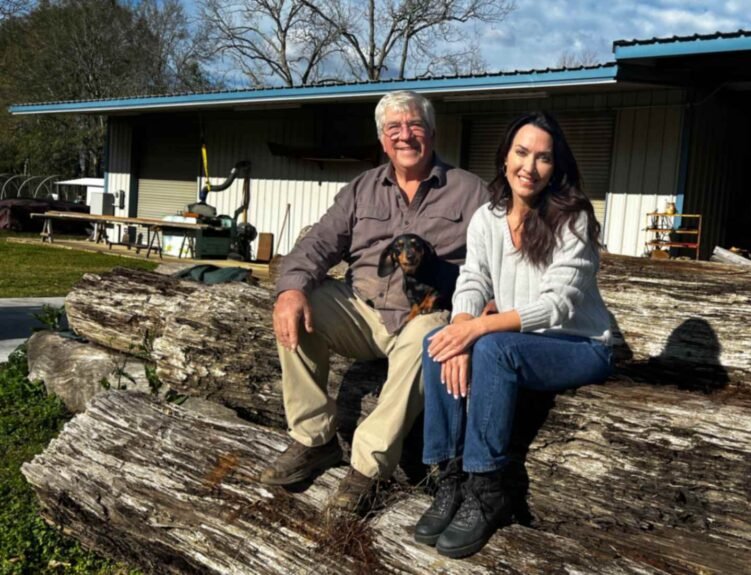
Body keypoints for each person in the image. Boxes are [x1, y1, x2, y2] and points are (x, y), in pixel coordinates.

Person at [263, 90, 490, 517]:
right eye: (394, 129)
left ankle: (366, 469)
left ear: (433, 134)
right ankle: (315, 440)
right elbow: (317, 244)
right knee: (298, 304)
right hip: (361, 310)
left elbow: (499, 254)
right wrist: (290, 289)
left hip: (428, 313)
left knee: (431, 335)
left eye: (415, 126)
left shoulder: (470, 192)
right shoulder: (361, 189)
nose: (406, 136)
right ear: (383, 141)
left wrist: (489, 308)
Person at [414, 112, 614, 558]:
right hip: (520, 340)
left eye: (543, 158)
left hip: (580, 345)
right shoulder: (488, 216)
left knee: (493, 348)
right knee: (438, 344)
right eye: (522, 153)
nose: (530, 166)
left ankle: (488, 489)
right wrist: (463, 326)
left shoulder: (573, 217)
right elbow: (472, 280)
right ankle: (450, 479)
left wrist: (480, 328)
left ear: (555, 167)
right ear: (505, 157)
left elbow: (557, 305)